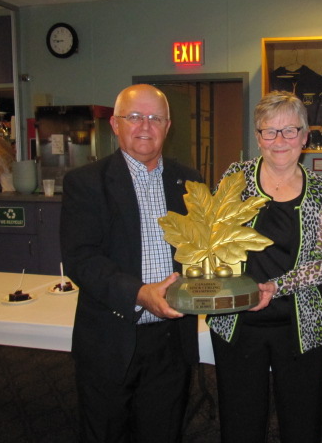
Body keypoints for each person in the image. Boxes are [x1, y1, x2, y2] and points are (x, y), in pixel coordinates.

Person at [60, 84, 202, 443]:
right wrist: (140, 293)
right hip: (110, 339)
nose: (145, 126)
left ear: (168, 127)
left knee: (163, 433)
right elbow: (81, 258)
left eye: (155, 118)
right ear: (115, 124)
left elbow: (203, 252)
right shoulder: (86, 183)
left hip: (171, 343)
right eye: (134, 117)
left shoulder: (191, 183)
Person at [207, 91, 322, 443]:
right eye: (269, 131)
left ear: (305, 136)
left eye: (289, 130)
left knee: (301, 422)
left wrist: (274, 287)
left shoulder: (320, 190)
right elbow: (212, 238)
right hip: (237, 319)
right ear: (257, 137)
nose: (279, 141)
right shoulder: (236, 178)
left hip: (301, 323)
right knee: (240, 421)